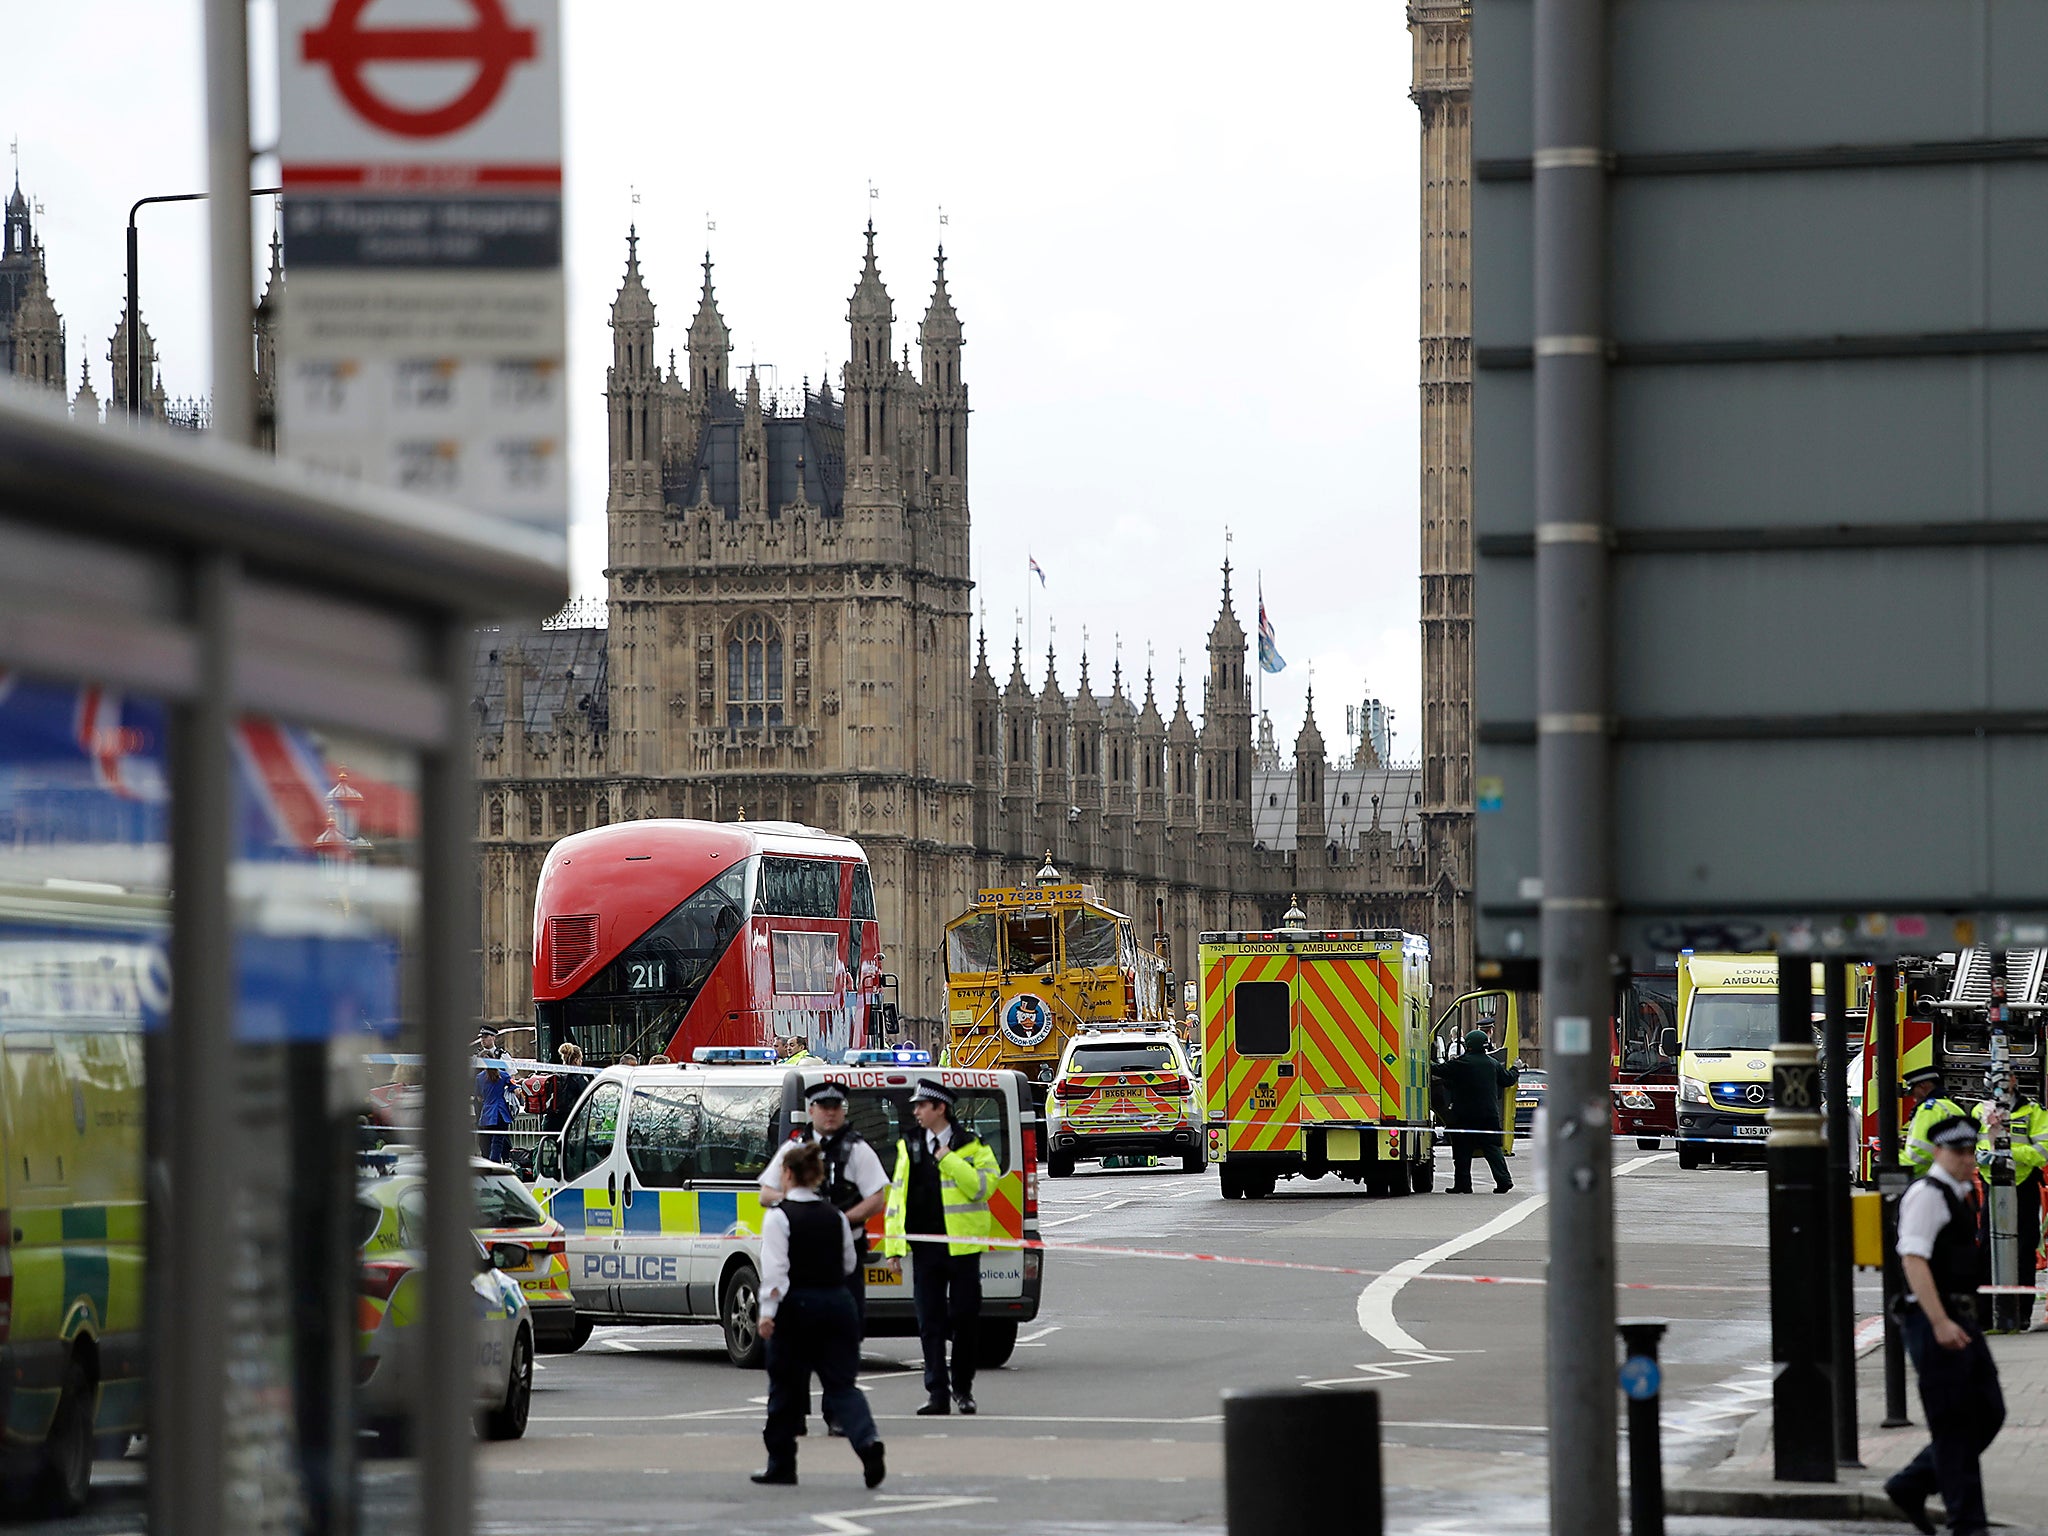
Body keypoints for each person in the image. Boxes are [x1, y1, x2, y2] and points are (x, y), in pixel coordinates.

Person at [1884, 1114, 2005, 1536]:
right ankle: (1967, 1524)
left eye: (1971, 1151)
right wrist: (1937, 1322)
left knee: (1989, 1411)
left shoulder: (1960, 1194)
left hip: (1961, 1319)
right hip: (1934, 1320)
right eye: (1958, 1152)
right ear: (1938, 1152)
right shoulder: (1927, 1194)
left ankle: (1910, 1484)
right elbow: (1913, 1259)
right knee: (1954, 1425)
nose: (1966, 1159)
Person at [751, 1142, 886, 1489]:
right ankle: (867, 1441)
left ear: (788, 1174)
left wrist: (767, 1313)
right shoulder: (837, 1217)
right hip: (838, 1304)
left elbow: (776, 1272)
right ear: (818, 1177)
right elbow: (848, 1264)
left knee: (784, 1389)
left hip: (797, 1307)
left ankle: (781, 1464)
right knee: (842, 1386)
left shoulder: (778, 1217)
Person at [761, 1079, 890, 1432]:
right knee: (793, 1343)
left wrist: (838, 1221)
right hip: (798, 1255)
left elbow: (877, 1198)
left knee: (842, 1342)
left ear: (843, 1110)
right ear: (812, 1110)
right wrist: (803, 1212)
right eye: (823, 1107)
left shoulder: (857, 1149)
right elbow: (766, 1192)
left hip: (840, 1257)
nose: (830, 1113)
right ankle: (795, 1413)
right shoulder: (797, 1148)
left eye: (836, 1107)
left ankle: (837, 1415)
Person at [882, 1078, 1000, 1415]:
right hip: (925, 1248)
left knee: (965, 1320)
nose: (915, 1111)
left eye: (921, 1105)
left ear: (940, 1109)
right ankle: (937, 1394)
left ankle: (963, 1389)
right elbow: (897, 1198)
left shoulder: (972, 1145)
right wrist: (894, 1246)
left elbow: (981, 1188)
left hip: (963, 1249)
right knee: (929, 1323)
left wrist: (949, 1159)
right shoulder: (910, 1145)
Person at [1973, 1093, 2046, 1332]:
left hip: (2023, 1184)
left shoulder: (2033, 1111)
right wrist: (1981, 1158)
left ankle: (2021, 1315)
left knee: (2024, 1250)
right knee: (1986, 1249)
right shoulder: (1979, 1110)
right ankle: (1984, 1316)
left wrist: (2011, 1153)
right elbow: (1972, 1144)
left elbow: (2043, 1150)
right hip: (1991, 1183)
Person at [1433, 1028, 1521, 1194]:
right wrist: (1516, 1069)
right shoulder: (1493, 1064)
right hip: (1489, 1115)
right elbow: (1507, 1079)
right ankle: (1504, 1180)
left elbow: (1438, 1070)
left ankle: (1463, 1184)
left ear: (1468, 1045)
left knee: (1462, 1152)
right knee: (1493, 1149)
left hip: (1464, 1115)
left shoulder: (1461, 1064)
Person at [1903, 1065, 1967, 1176]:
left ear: (1923, 1086)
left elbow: (1921, 1154)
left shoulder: (1930, 1109)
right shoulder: (1951, 1106)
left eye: (1914, 1091)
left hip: (1931, 1178)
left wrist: (1893, 1163)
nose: (1913, 1098)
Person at [473, 1027, 517, 1165]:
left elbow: (512, 1076)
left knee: (500, 1136)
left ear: (493, 1038)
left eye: (485, 1037)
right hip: (483, 1102)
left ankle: (504, 1158)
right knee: (485, 1136)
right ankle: (489, 1160)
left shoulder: (502, 1055)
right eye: (481, 1037)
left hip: (497, 1100)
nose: (482, 1040)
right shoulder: (476, 1056)